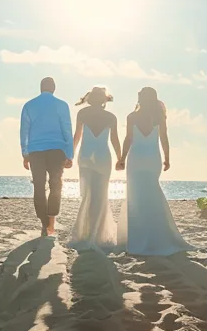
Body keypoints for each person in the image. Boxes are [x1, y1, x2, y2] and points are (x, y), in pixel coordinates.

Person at [117, 87, 191, 256]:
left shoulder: (132, 117)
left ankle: (138, 239)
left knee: (136, 197)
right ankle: (157, 234)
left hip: (136, 158)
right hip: (152, 158)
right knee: (152, 193)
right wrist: (167, 158)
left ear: (140, 99)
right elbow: (164, 138)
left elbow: (128, 138)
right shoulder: (159, 117)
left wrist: (122, 158)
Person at [67, 87, 125, 250]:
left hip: (85, 156)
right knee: (100, 196)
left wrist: (69, 156)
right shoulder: (110, 117)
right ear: (104, 100)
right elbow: (114, 139)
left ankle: (86, 233)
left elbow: (77, 137)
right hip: (102, 157)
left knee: (87, 195)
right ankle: (95, 233)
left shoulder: (82, 114)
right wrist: (120, 158)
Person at [20, 77, 73, 236]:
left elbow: (24, 131)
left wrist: (25, 153)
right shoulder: (62, 105)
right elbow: (67, 130)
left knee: (39, 185)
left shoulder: (29, 105)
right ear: (54, 88)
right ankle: (51, 219)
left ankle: (44, 222)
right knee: (56, 184)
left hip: (36, 150)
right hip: (57, 149)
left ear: (40, 88)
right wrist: (69, 154)